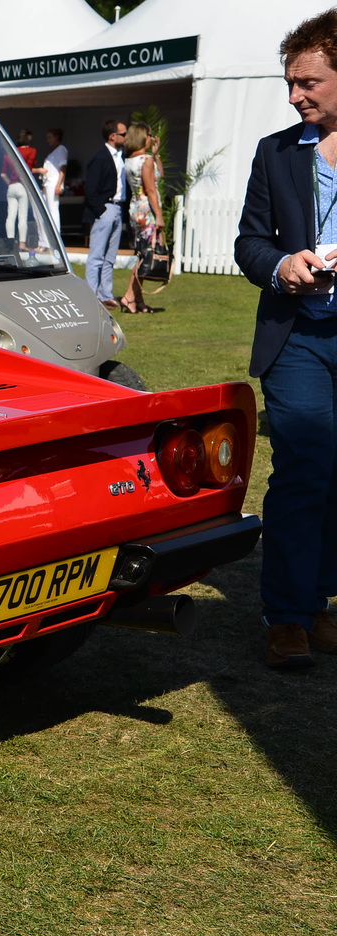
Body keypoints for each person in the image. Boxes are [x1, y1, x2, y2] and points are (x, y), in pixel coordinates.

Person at [234, 6, 337, 668]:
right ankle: (289, 616)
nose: (295, 95)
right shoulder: (275, 153)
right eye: (290, 84)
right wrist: (281, 265)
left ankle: (320, 600)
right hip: (296, 336)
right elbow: (248, 242)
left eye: (308, 83)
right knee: (304, 466)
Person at [82, 118, 130, 309]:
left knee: (110, 255)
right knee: (97, 255)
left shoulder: (121, 156)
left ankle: (105, 294)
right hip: (105, 207)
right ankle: (91, 295)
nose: (126, 137)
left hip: (118, 207)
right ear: (113, 136)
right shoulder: (100, 157)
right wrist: (101, 210)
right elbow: (91, 189)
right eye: (123, 134)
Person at [120, 123, 164, 315]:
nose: (151, 138)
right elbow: (151, 189)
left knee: (142, 254)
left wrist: (156, 154)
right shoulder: (144, 160)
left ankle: (138, 299)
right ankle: (129, 296)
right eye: (148, 135)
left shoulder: (130, 160)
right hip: (147, 212)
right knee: (146, 256)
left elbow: (159, 175)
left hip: (135, 209)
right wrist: (160, 216)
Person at [42, 128, 68, 230]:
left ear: (56, 137)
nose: (48, 140)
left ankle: (56, 233)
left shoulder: (61, 149)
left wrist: (59, 184)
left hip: (53, 183)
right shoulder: (53, 151)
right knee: (47, 209)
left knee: (53, 209)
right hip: (47, 183)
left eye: (50, 137)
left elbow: (63, 168)